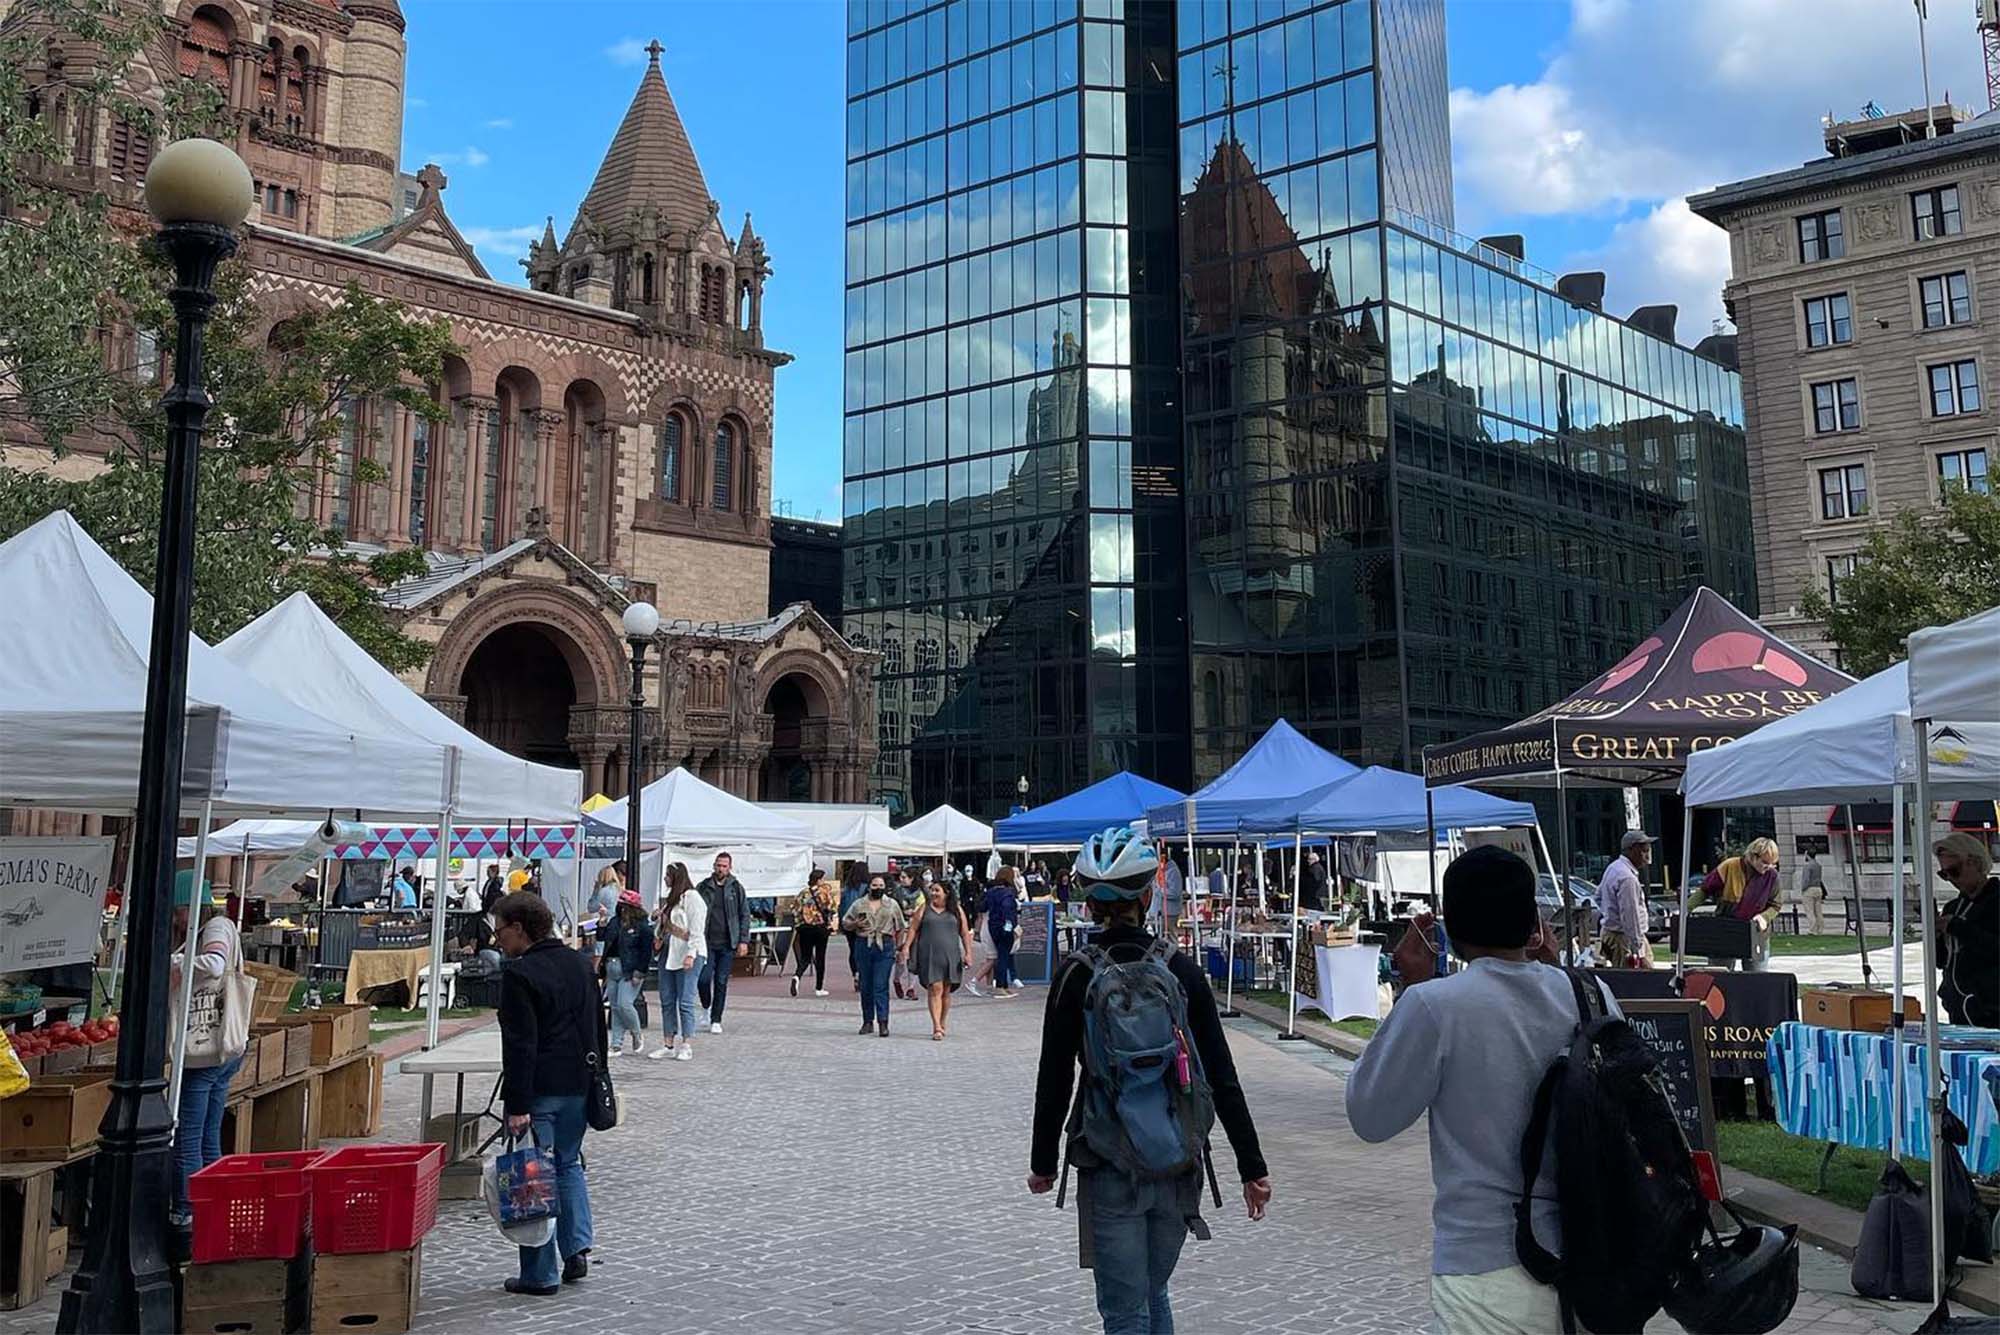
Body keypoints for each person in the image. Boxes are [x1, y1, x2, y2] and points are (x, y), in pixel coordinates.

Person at [1346, 845, 1612, 1334]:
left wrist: (1410, 986)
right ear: (1534, 920)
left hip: (1487, 1260)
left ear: (1450, 927)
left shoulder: (1436, 1006)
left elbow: (1370, 1115)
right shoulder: (1588, 993)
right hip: (1594, 1253)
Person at [1029, 826, 1271, 1334]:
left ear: (1090, 904)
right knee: (1151, 1289)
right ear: (1148, 893)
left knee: (1124, 1312)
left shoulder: (1075, 974)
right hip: (1178, 1156)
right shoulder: (1180, 968)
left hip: (1109, 1156)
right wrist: (1252, 1167)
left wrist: (1043, 1163)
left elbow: (1053, 1077)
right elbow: (1221, 1075)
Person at [493, 890, 598, 1294]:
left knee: (531, 1173)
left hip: (540, 1089)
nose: (498, 939)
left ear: (519, 928)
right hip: (578, 1082)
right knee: (568, 1165)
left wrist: (516, 1104)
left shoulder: (520, 974)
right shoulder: (579, 963)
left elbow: (520, 1045)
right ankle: (576, 1250)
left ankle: (540, 1272)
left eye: (500, 930)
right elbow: (595, 1028)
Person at [168, 872, 246, 1226]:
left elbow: (214, 965)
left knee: (188, 1135)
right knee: (208, 1132)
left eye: (177, 911)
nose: (174, 919)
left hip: (205, 1047)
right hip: (223, 1048)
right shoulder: (206, 931)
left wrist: (173, 964)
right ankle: (213, 1204)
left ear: (190, 906)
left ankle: (187, 1211)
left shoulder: (215, 928)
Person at [1690, 836, 1784, 972]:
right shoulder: (1730, 866)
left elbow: (1775, 904)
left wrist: (1764, 917)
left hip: (1756, 933)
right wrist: (1685, 909)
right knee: (1719, 976)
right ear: (1753, 856)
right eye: (1765, 862)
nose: (1768, 867)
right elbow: (1705, 890)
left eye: (1772, 864)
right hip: (1725, 928)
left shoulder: (1773, 876)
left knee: (1757, 978)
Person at [1934, 832, 1998, 1027]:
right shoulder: (1953, 906)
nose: (1951, 879)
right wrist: (1937, 936)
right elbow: (1942, 960)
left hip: (1991, 1007)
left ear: (1975, 863)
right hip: (1958, 1006)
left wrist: (1957, 928)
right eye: (1944, 874)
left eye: (1955, 871)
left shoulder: (1996, 901)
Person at [649, 863, 709, 1061]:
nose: (665, 878)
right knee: (667, 999)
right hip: (669, 952)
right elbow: (664, 926)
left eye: (668, 875)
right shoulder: (671, 900)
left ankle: (687, 1043)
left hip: (688, 953)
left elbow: (697, 929)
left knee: (685, 1000)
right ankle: (668, 1043)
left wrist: (692, 953)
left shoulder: (692, 898)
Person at [904, 879, 974, 1040]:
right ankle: (936, 1026)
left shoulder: (956, 910)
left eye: (937, 890)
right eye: (932, 890)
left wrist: (968, 953)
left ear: (946, 893)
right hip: (929, 954)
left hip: (950, 955)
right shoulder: (924, 909)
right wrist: (906, 947)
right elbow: (913, 928)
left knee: (946, 990)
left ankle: (943, 1021)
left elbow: (964, 933)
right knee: (935, 988)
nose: (933, 893)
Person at [842, 871, 906, 1036]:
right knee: (866, 985)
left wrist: (899, 948)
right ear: (869, 887)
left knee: (880, 984)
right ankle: (867, 1021)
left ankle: (883, 1022)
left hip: (884, 945)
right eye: (875, 885)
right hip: (864, 943)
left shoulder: (892, 904)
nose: (878, 888)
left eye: (881, 886)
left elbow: (900, 927)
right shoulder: (859, 904)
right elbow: (845, 923)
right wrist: (855, 923)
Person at [695, 852, 749, 1033]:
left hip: (727, 942)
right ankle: (705, 1006)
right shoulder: (704, 887)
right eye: (718, 865)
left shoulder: (736, 888)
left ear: (730, 868)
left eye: (724, 866)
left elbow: (744, 915)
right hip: (706, 940)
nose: (720, 869)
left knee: (721, 981)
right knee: (703, 979)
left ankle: (716, 1019)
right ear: (714, 865)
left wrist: (743, 940)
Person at [600, 890, 654, 1056]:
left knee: (624, 1004)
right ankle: (616, 1045)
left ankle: (636, 1033)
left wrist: (640, 971)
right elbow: (604, 938)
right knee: (615, 1007)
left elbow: (646, 951)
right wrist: (602, 923)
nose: (622, 909)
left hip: (629, 968)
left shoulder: (642, 926)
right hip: (612, 965)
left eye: (625, 906)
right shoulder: (615, 922)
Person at [1595, 830, 1656, 968]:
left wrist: (1610, 914)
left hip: (1613, 934)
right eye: (1644, 851)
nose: (1647, 857)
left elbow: (1598, 896)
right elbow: (1630, 917)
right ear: (1632, 850)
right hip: (1624, 938)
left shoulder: (1613, 868)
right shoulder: (1627, 878)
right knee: (1637, 980)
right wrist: (1639, 952)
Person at [790, 867, 837, 998]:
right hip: (820, 928)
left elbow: (794, 910)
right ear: (818, 880)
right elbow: (832, 907)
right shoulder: (824, 892)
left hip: (805, 928)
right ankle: (819, 987)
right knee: (820, 957)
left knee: (805, 956)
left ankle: (797, 976)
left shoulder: (802, 893)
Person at [984, 866, 1023, 999]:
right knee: (1003, 956)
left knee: (1001, 954)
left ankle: (1004, 986)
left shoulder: (991, 891)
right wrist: (1010, 927)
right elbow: (1007, 909)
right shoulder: (1008, 892)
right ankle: (1000, 986)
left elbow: (982, 906)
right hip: (1005, 926)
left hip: (993, 926)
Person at [838, 866, 869, 994]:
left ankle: (855, 973)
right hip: (862, 923)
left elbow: (841, 907)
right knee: (863, 950)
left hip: (848, 923)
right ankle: (862, 974)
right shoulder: (867, 887)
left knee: (852, 949)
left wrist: (842, 923)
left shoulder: (847, 888)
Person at [1797, 851, 1827, 935]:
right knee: (1818, 911)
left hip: (1809, 889)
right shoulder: (1818, 865)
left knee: (1809, 911)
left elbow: (1806, 879)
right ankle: (1820, 929)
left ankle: (1812, 929)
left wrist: (1803, 889)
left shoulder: (1807, 866)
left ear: (1808, 855)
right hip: (1818, 888)